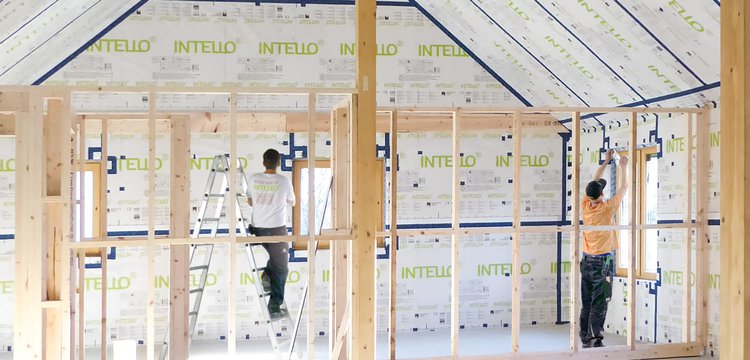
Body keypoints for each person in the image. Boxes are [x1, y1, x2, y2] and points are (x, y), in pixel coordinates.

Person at [580, 149, 628, 348]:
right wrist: (623, 167)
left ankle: (585, 337)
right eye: (602, 189)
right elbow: (624, 188)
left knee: (587, 302)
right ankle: (594, 340)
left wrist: (606, 161)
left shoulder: (585, 205)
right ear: (601, 194)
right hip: (602, 262)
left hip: (586, 260)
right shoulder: (607, 208)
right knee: (600, 302)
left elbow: (594, 179)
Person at [246, 149, 295, 319]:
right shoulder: (283, 181)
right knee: (282, 268)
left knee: (276, 261)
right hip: (277, 231)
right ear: (278, 163)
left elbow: (250, 201)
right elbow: (292, 202)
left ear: (263, 162)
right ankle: (275, 305)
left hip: (258, 230)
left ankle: (267, 273)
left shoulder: (253, 178)